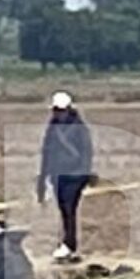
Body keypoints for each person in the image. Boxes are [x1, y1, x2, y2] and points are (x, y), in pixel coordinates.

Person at [37, 91, 94, 263]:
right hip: (57, 174)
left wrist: (84, 173)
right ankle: (68, 244)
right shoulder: (52, 127)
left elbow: (86, 152)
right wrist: (43, 176)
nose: (58, 114)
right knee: (64, 208)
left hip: (75, 175)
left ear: (69, 110)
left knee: (69, 208)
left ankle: (69, 244)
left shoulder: (79, 128)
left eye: (61, 110)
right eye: (56, 110)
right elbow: (46, 152)